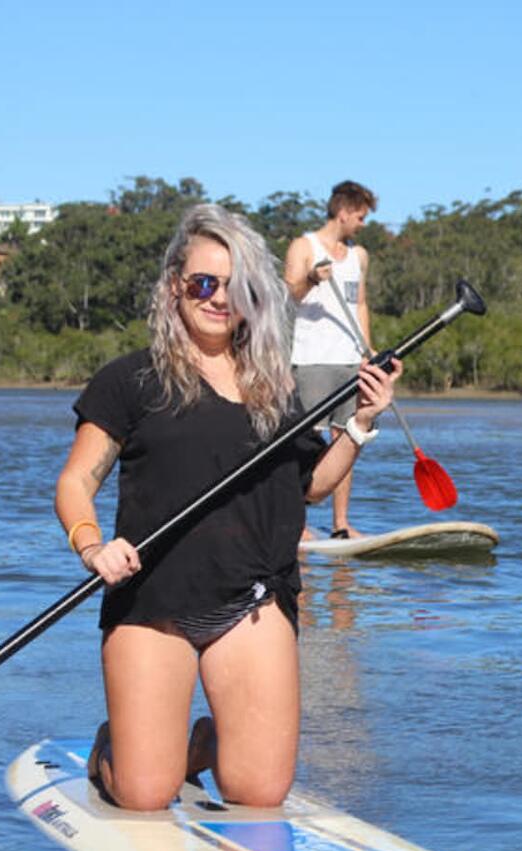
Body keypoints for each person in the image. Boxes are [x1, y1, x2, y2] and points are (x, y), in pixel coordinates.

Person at [54, 204, 399, 812]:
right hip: (152, 605)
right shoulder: (131, 381)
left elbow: (311, 487)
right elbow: (76, 481)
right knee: (143, 794)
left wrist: (360, 425)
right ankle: (117, 751)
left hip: (253, 604)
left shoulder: (275, 387)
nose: (217, 298)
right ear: (173, 288)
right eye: (203, 283)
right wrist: (90, 545)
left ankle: (202, 744)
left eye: (233, 286)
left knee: (258, 792)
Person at [284, 180, 377, 539]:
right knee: (304, 441)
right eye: (360, 216)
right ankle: (298, 523)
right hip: (311, 361)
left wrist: (368, 352)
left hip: (350, 360)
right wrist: (310, 278)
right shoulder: (303, 246)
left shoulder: (359, 256)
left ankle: (340, 523)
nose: (363, 223)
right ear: (343, 212)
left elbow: (362, 304)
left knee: (348, 439)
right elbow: (289, 294)